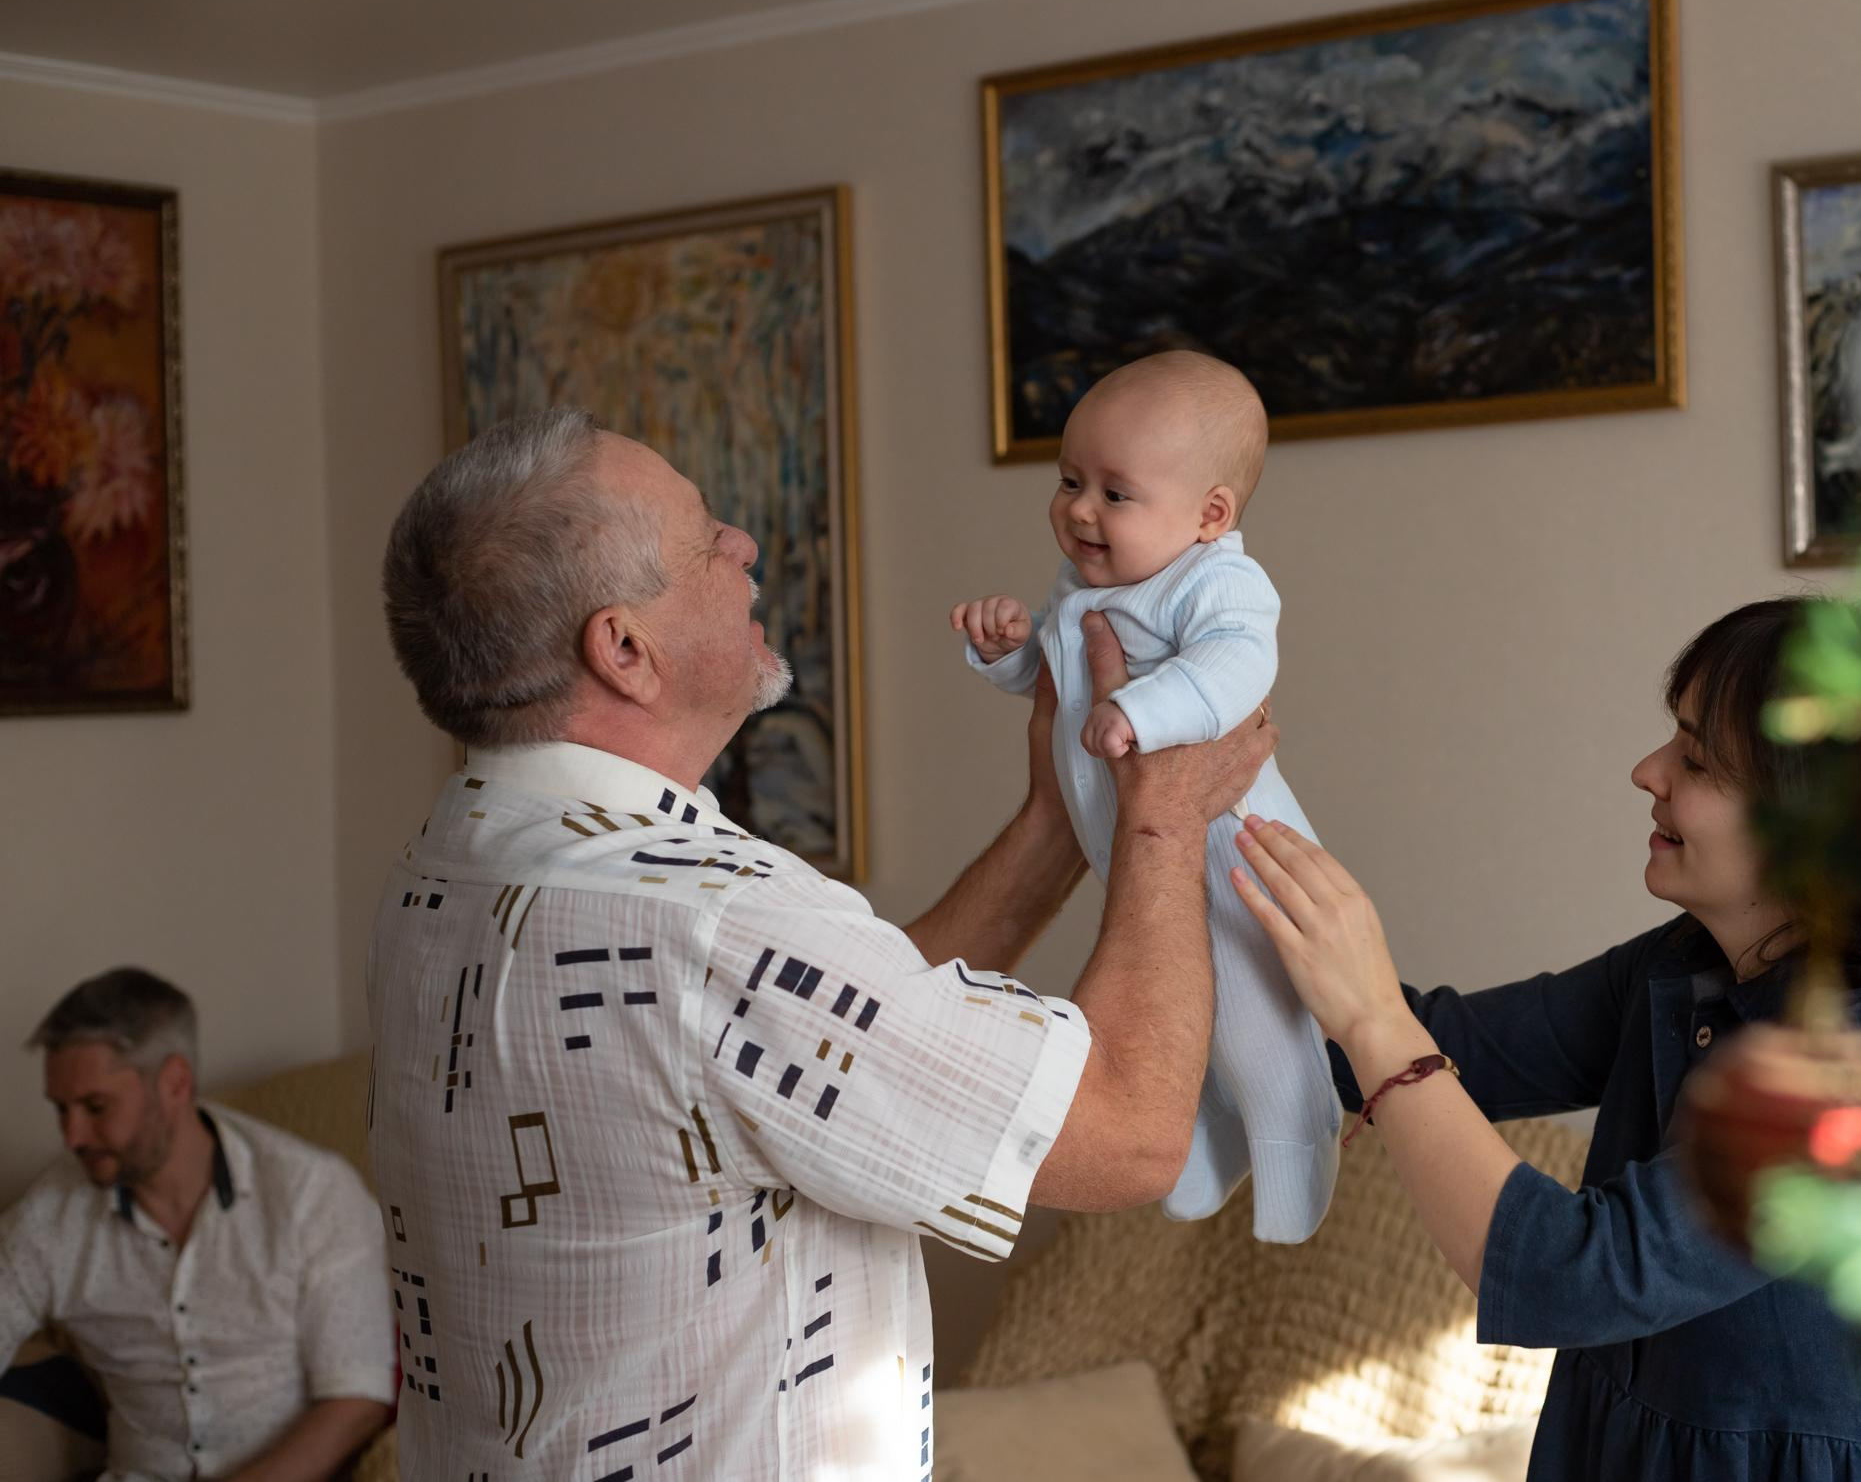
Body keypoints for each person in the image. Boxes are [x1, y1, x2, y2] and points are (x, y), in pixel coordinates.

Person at [370, 405, 1271, 1479]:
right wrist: (1160, 821)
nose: (744, 546)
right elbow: (1128, 1133)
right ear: (623, 649)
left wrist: (1054, 821)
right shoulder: (709, 925)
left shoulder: (450, 864)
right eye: (708, 538)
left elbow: (841, 1035)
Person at [1226, 598, 1861, 1482]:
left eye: (1696, 759)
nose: (1646, 770)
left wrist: (1373, 1021)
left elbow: (1574, 1274)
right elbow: (1448, 1045)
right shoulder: (1684, 968)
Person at [951, 351, 1338, 1243]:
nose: (1080, 508)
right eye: (1069, 480)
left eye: (1114, 493)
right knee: (1169, 1022)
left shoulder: (1218, 581)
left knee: (1250, 1014)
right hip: (1128, 846)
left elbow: (1241, 664)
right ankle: (1204, 1144)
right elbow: (1056, 675)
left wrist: (1142, 708)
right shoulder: (1092, 583)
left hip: (1234, 847)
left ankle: (1298, 1137)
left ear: (1210, 514)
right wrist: (1007, 650)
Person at [0, 969, 393, 1481]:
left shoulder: (312, 1194)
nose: (73, 1135)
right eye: (61, 1109)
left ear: (174, 1084)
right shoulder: (51, 1216)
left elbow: (356, 1399)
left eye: (96, 1107)